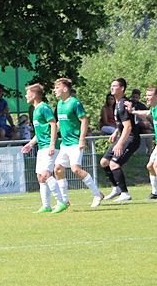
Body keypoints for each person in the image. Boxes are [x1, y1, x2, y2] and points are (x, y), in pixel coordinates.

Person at [52, 78, 104, 208]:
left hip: (75, 142)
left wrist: (81, 139)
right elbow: (62, 121)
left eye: (57, 88)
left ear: (65, 89)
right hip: (65, 144)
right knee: (58, 169)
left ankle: (97, 194)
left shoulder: (74, 103)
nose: (54, 90)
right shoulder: (60, 104)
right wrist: (54, 130)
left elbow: (84, 120)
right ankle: (65, 200)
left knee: (75, 169)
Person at [21, 83, 67, 214]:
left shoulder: (43, 107)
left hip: (48, 146)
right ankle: (46, 206)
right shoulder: (35, 110)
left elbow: (53, 124)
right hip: (41, 147)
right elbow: (40, 132)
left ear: (34, 95)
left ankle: (62, 202)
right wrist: (30, 144)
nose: (26, 96)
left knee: (46, 174)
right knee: (40, 176)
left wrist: (52, 144)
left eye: (27, 93)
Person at [98, 78, 140, 203]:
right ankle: (116, 188)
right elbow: (122, 123)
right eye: (111, 85)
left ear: (122, 88)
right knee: (104, 162)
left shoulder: (123, 104)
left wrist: (120, 143)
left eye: (115, 86)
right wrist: (116, 131)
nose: (112, 87)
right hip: (123, 136)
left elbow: (128, 127)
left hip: (131, 139)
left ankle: (125, 193)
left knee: (114, 164)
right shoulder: (117, 103)